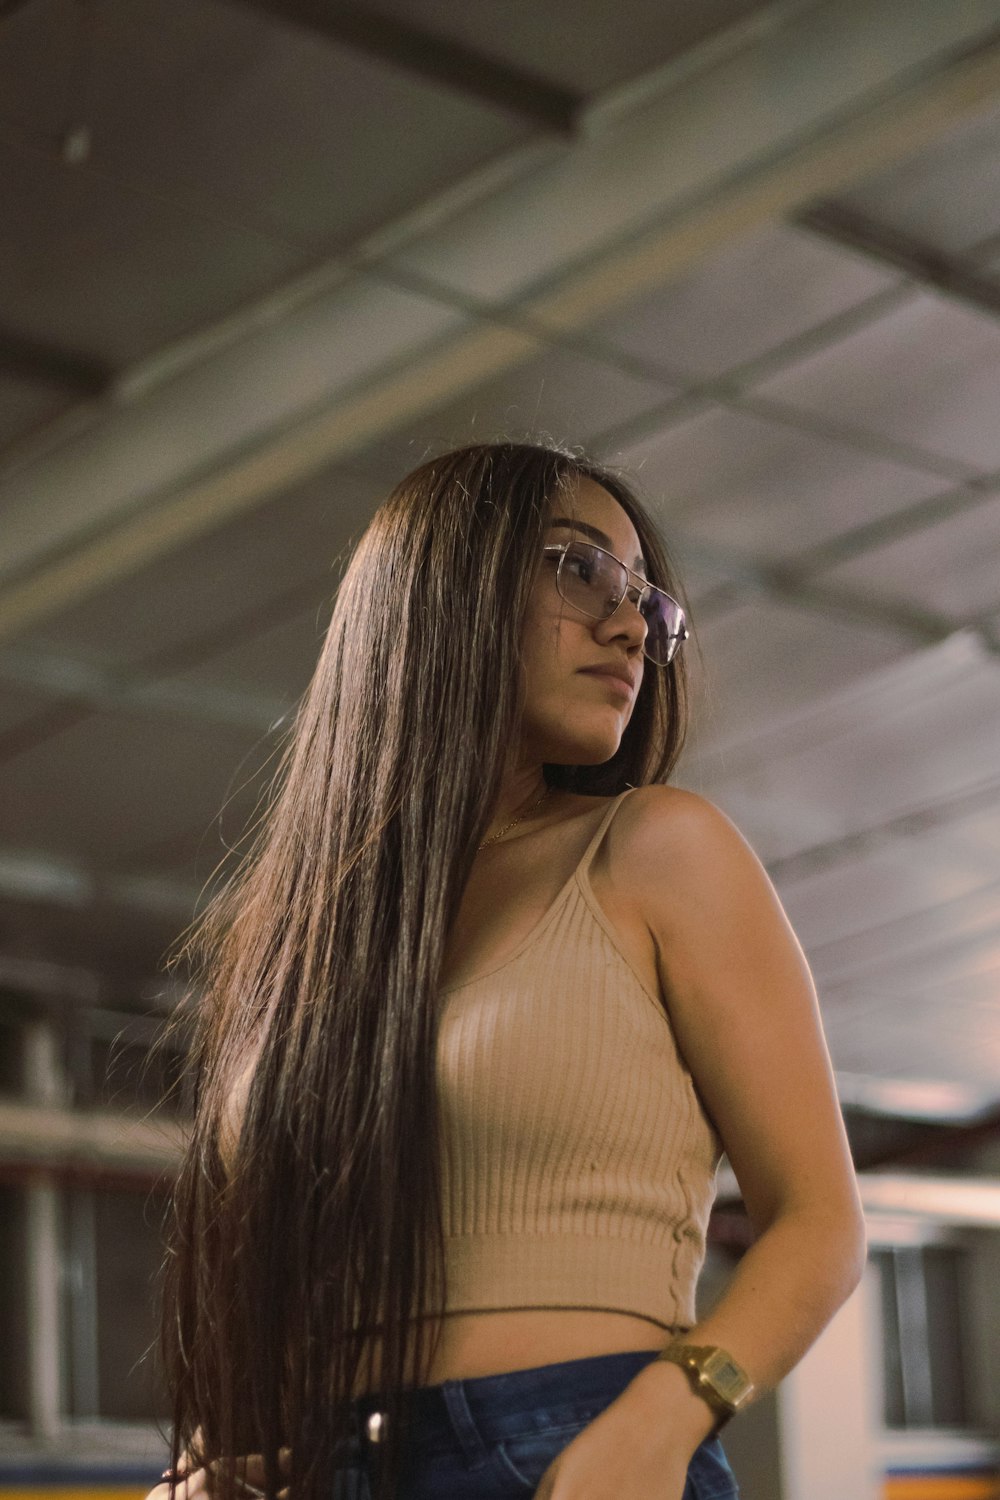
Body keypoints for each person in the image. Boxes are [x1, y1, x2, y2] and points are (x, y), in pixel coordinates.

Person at [149, 441, 866, 1500]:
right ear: (438, 586)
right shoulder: (294, 941)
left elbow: (819, 1221)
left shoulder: (657, 849)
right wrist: (217, 1461)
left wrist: (662, 1419)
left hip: (574, 1448)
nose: (629, 627)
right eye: (577, 568)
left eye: (648, 607)